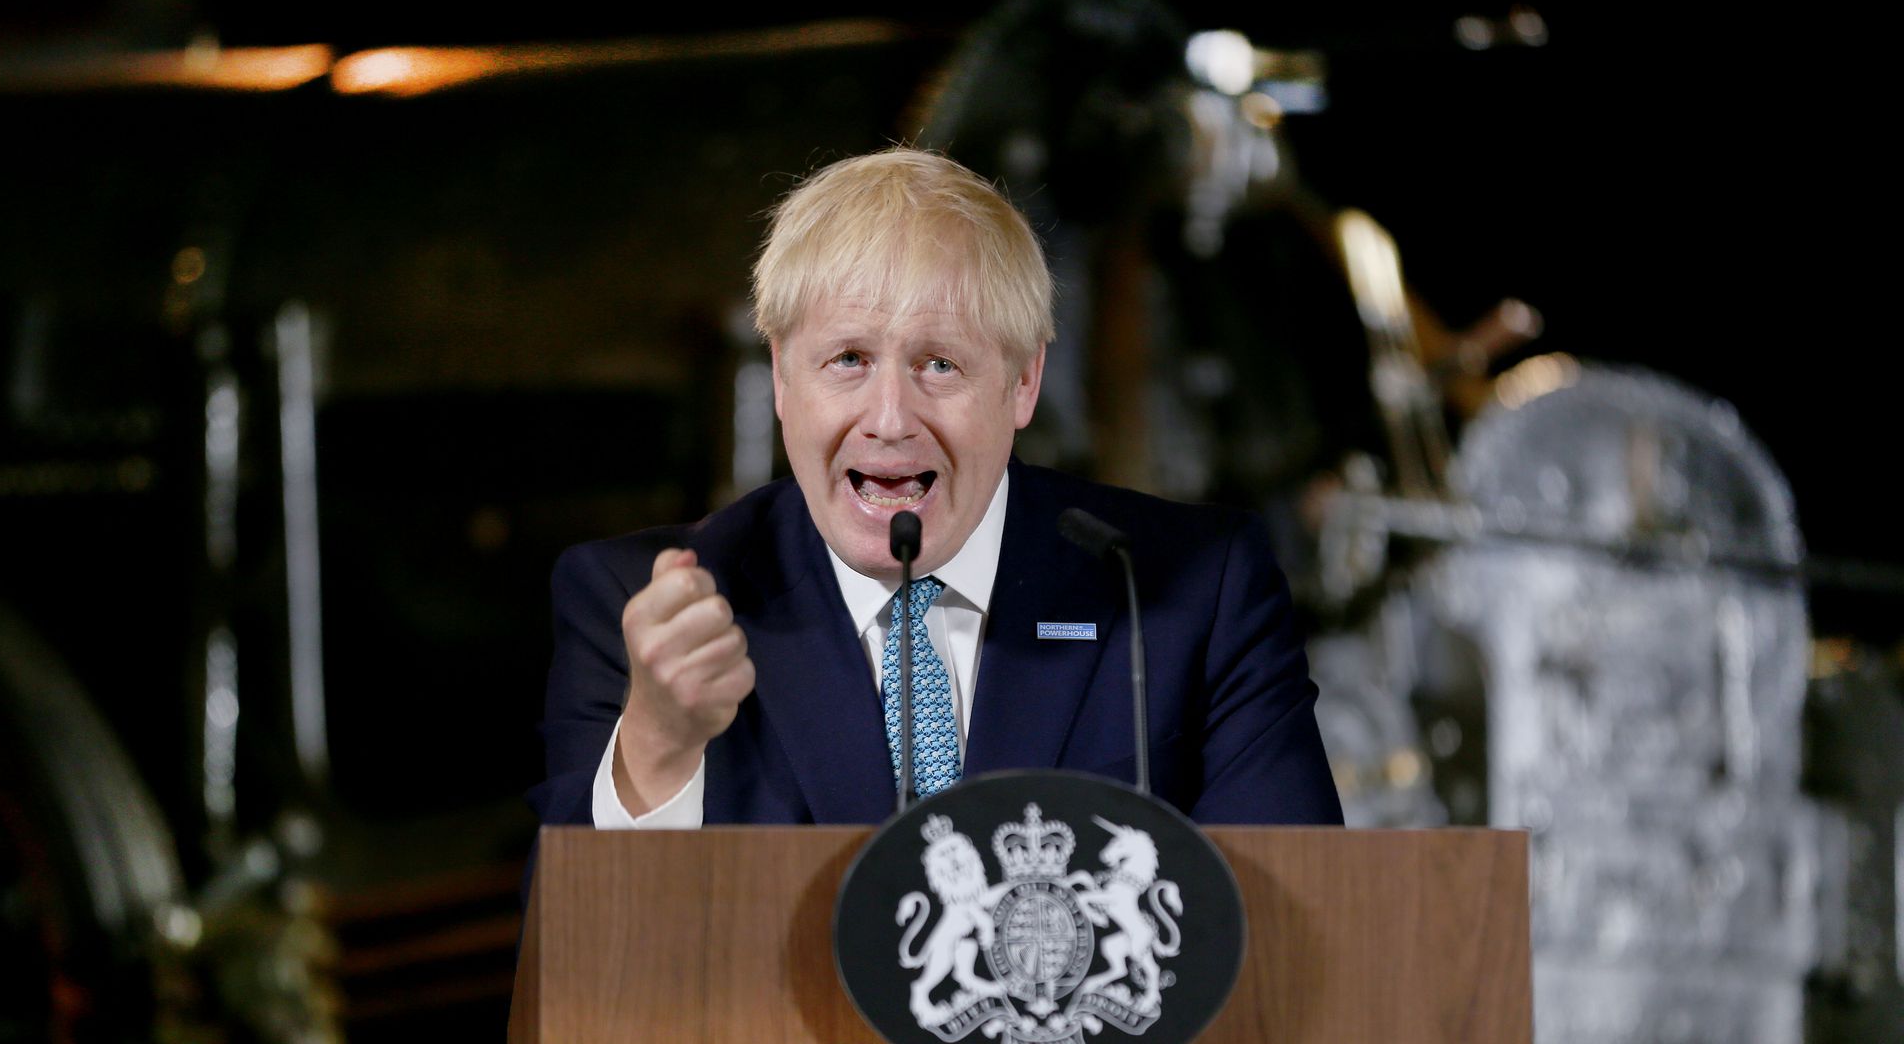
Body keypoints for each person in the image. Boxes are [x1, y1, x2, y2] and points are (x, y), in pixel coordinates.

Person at [528, 148, 1342, 831]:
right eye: (847, 359)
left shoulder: (1196, 590)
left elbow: (1291, 926)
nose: (889, 419)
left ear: (1023, 382)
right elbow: (582, 975)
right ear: (781, 377)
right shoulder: (635, 606)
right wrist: (657, 751)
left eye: (939, 365)